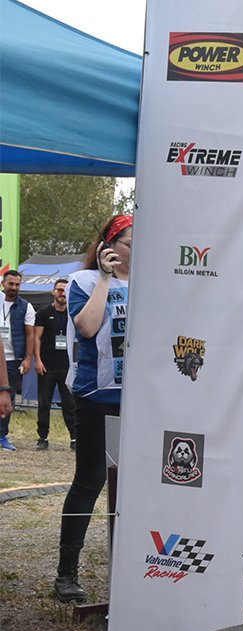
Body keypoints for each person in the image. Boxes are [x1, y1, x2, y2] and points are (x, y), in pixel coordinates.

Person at [53, 215, 131, 604]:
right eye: (130, 242)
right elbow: (86, 327)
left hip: (141, 400)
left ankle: (134, 568)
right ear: (110, 246)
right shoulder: (83, 282)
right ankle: (66, 573)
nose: (137, 250)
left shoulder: (155, 283)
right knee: (90, 481)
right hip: (97, 397)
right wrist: (104, 277)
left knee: (134, 485)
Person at [34, 278, 77, 451]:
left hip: (66, 366)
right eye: (59, 290)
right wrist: (38, 360)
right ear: (53, 292)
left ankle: (74, 438)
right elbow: (36, 337)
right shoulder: (44, 313)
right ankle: (42, 437)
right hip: (47, 366)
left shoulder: (73, 313)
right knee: (44, 403)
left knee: (70, 404)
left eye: (65, 290)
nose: (62, 293)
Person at [0, 269, 35, 451]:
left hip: (12, 360)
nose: (14, 287)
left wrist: (28, 359)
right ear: (3, 284)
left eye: (17, 284)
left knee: (8, 400)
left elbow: (30, 335)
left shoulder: (26, 307)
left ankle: (2, 436)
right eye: (10, 283)